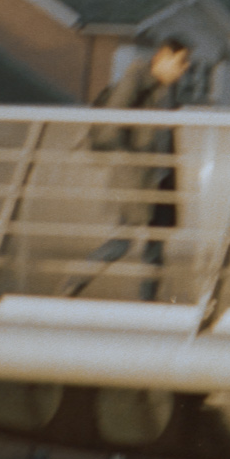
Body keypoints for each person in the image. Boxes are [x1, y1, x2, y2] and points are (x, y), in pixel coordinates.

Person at [77, 33, 195, 300]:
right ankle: (70, 286)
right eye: (181, 61)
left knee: (155, 245)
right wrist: (129, 160)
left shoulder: (167, 89)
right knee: (122, 241)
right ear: (162, 57)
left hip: (160, 174)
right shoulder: (138, 79)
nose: (185, 68)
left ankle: (148, 304)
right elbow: (112, 122)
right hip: (140, 175)